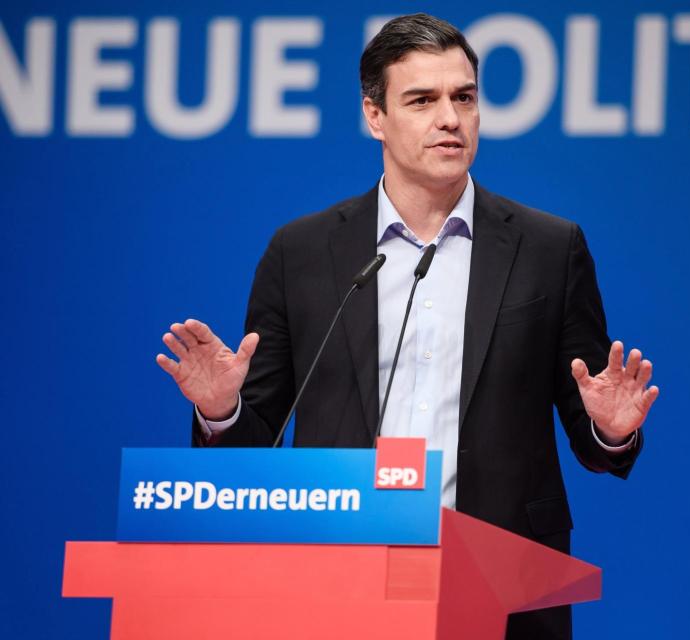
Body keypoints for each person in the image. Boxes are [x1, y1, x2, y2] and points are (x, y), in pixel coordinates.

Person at [156, 13, 658, 640]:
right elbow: (252, 446)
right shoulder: (303, 252)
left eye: (464, 98)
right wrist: (222, 410)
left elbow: (591, 435)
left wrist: (610, 430)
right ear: (375, 117)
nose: (450, 118)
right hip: (341, 582)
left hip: (500, 581)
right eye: (422, 100)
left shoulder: (549, 248)